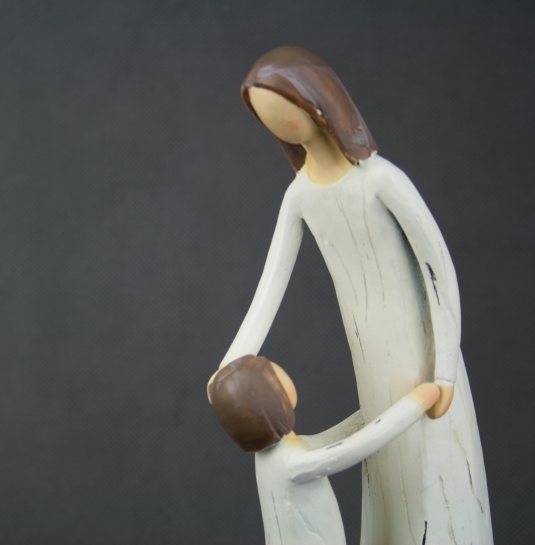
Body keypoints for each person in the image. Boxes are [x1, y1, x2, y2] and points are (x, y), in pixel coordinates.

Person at [211, 46, 492, 544]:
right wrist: (229, 368)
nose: (276, 126)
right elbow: (271, 284)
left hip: (420, 349)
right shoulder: (300, 195)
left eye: (281, 112)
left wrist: (445, 368)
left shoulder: (381, 180)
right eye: (266, 119)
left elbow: (438, 269)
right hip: (368, 351)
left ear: (317, 102)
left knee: (430, 464)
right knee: (385, 466)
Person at [209, 355, 441, 545]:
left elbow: (335, 437)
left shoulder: (274, 456)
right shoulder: (291, 463)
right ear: (270, 404)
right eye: (274, 379)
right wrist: (414, 404)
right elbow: (355, 447)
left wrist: (368, 414)